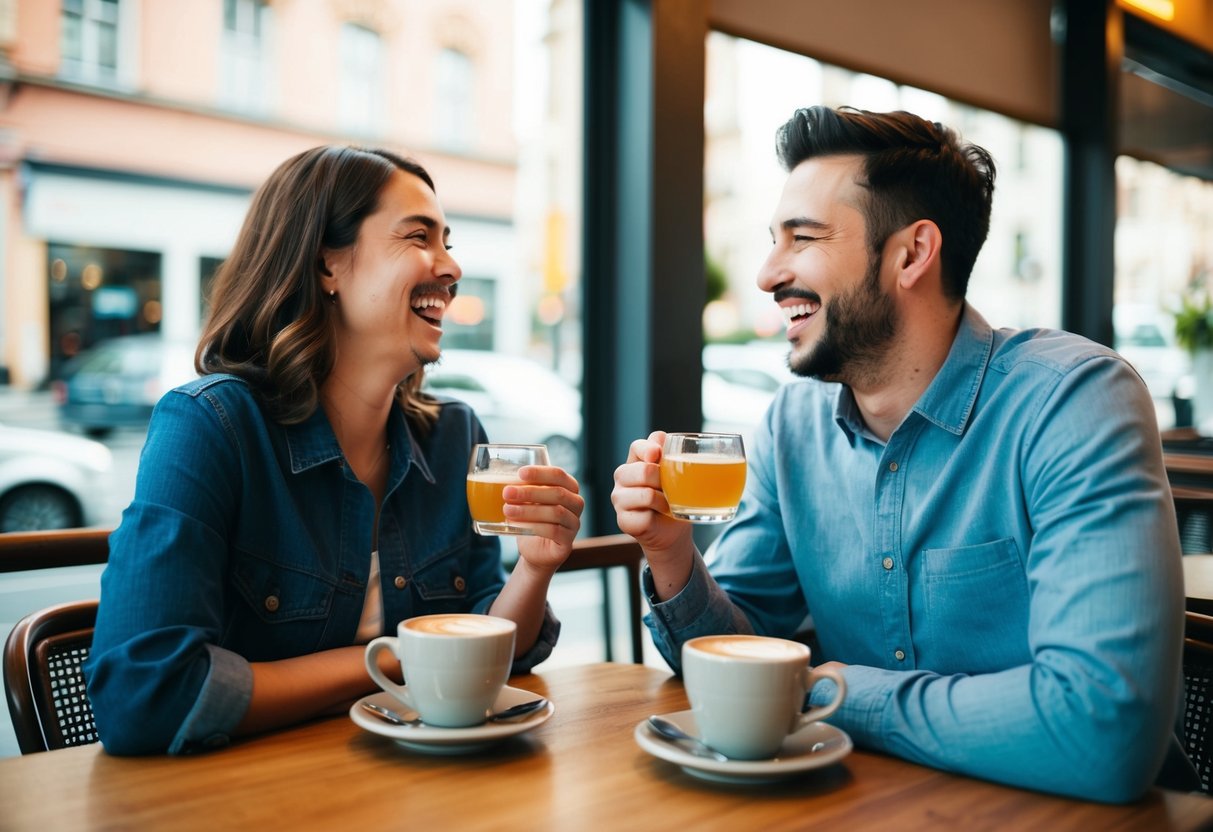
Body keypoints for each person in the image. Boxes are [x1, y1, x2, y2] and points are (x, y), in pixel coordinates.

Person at [612, 106, 1197, 802]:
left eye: (801, 238)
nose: (767, 274)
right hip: (867, 805)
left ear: (912, 254)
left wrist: (835, 692)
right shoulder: (791, 425)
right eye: (773, 241)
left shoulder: (1072, 403)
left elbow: (1104, 731)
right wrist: (673, 555)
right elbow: (736, 663)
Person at [85, 146, 584, 755]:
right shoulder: (211, 426)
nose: (450, 266)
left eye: (448, 241)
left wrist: (535, 566)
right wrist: (396, 661)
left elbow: (494, 645)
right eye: (419, 236)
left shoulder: (455, 436)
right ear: (328, 264)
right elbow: (144, 694)